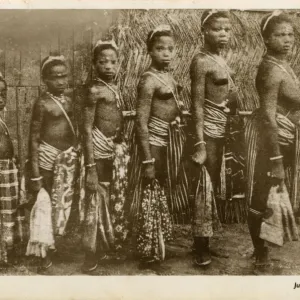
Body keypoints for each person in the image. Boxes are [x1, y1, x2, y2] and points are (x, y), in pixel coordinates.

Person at [245, 11, 300, 268]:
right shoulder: (270, 71)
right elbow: (268, 116)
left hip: (285, 138)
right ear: (266, 39)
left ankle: (265, 246)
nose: (287, 40)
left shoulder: (283, 64)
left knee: (270, 192)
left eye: (290, 34)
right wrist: (276, 158)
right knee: (261, 193)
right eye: (279, 35)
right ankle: (260, 251)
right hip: (270, 142)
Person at [134, 25, 189, 269]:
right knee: (151, 191)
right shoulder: (148, 80)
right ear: (149, 51)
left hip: (170, 142)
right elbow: (140, 121)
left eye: (170, 49)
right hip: (154, 142)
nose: (166, 53)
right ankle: (147, 251)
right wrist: (147, 159)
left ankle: (159, 244)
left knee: (163, 190)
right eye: (160, 49)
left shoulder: (170, 77)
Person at [190, 10, 238, 266]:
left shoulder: (220, 59)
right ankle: (201, 249)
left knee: (215, 187)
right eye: (217, 29)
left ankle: (205, 240)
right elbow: (196, 104)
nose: (223, 34)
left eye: (227, 29)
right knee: (203, 188)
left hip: (222, 132)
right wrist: (199, 143)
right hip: (207, 132)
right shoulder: (201, 62)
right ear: (204, 31)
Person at [26, 54, 80, 272]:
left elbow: (74, 128)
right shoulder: (42, 103)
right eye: (55, 77)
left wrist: (76, 147)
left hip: (66, 160)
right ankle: (43, 253)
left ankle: (59, 245)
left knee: (64, 205)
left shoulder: (70, 100)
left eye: (63, 76)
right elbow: (34, 138)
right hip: (47, 161)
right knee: (45, 205)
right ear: (45, 80)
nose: (60, 81)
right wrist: (36, 173)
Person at [81, 40, 129, 273]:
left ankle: (108, 243)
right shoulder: (94, 90)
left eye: (113, 62)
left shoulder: (115, 88)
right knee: (95, 200)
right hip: (98, 152)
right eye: (103, 62)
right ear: (94, 64)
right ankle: (90, 253)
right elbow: (87, 129)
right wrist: (90, 166)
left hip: (114, 151)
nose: (109, 66)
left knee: (110, 198)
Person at [0, 73, 25, 265]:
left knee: (7, 211)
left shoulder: (3, 118)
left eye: (3, 94)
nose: (1, 99)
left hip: (6, 169)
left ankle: (6, 251)